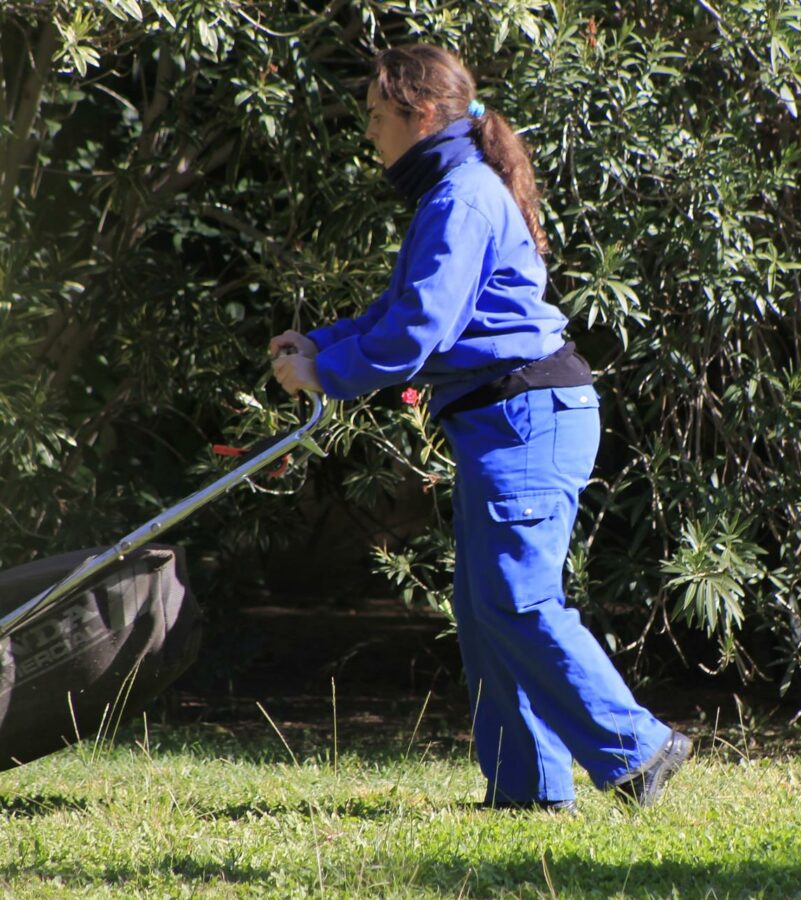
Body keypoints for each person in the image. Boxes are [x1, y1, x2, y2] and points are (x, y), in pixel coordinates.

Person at [269, 44, 690, 811]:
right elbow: (400, 311)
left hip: (526, 416)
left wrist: (326, 374)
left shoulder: (460, 198)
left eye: (377, 115)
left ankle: (640, 749)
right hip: (507, 419)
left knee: (515, 600)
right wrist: (321, 344)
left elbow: (416, 331)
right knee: (484, 606)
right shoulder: (451, 193)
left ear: (422, 114)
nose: (369, 132)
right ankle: (528, 791)